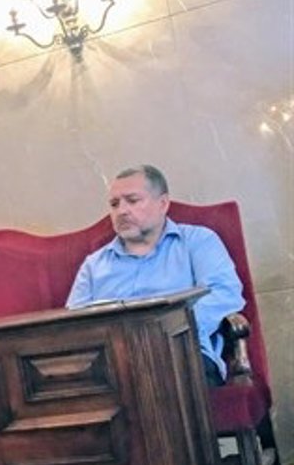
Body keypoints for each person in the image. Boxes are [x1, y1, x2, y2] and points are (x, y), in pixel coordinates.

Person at [67, 165, 245, 385]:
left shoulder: (197, 241)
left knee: (158, 378)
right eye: (114, 204)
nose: (121, 211)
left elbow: (224, 293)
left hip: (182, 354)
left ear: (163, 204)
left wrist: (169, 332)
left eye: (132, 200)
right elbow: (73, 325)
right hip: (113, 366)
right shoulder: (94, 265)